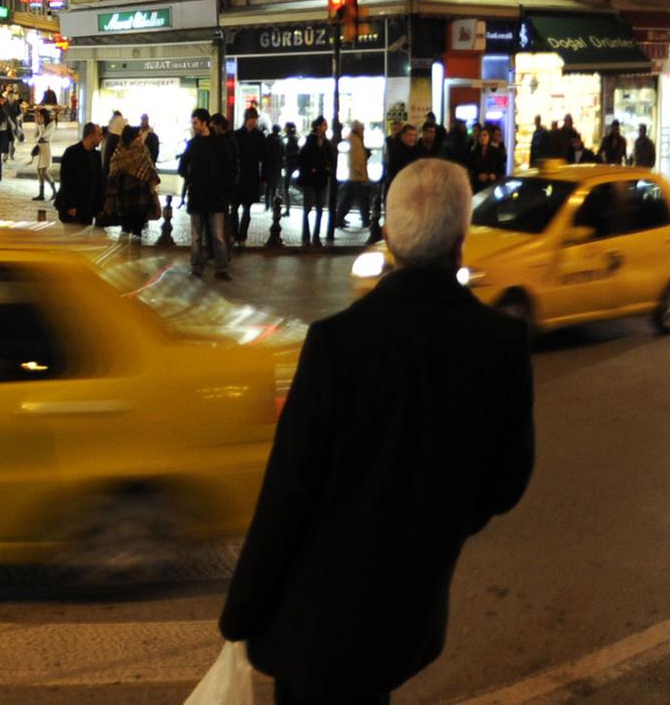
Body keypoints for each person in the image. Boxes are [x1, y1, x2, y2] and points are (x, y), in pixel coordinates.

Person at [220, 158, 534, 704]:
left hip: (317, 622)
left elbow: (289, 493)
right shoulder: (500, 344)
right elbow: (507, 481)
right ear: (461, 242)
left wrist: (242, 609)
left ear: (388, 237)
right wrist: (440, 520)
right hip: (408, 613)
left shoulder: (338, 343)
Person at [182, 109, 234, 280]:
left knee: (217, 235)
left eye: (195, 122)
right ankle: (197, 267)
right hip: (198, 196)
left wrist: (220, 187)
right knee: (197, 236)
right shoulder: (193, 144)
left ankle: (221, 268)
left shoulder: (219, 144)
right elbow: (182, 166)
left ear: (204, 123)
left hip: (214, 197)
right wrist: (191, 179)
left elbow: (228, 169)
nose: (193, 126)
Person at [107, 126, 157, 243]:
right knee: (125, 233)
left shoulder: (144, 151)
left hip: (142, 201)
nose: (141, 138)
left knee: (137, 234)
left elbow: (151, 173)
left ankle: (135, 254)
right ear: (130, 139)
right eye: (138, 136)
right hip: (125, 203)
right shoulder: (119, 155)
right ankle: (122, 254)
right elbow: (113, 178)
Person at [53, 122, 106, 230]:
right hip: (73, 209)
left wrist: (99, 207)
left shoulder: (96, 155)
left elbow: (98, 182)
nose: (101, 138)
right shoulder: (72, 153)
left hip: (88, 208)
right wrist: (70, 205)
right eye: (99, 135)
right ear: (90, 136)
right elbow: (66, 180)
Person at [230, 108, 268, 247]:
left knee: (247, 208)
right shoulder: (237, 135)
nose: (253, 122)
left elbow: (264, 158)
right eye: (252, 119)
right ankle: (234, 234)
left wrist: (264, 177)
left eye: (255, 119)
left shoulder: (259, 136)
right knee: (234, 207)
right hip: (238, 176)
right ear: (247, 119)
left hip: (251, 176)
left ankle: (242, 236)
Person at [296, 117, 332, 248]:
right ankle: (306, 237)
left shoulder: (326, 143)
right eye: (324, 125)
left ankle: (316, 237)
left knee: (320, 209)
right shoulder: (310, 141)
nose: (326, 127)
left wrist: (328, 168)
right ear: (318, 127)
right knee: (308, 208)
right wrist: (311, 168)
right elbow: (302, 158)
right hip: (310, 180)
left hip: (321, 179)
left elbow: (330, 158)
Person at [467, 125, 504, 192]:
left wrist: (495, 175)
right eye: (480, 136)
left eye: (485, 135)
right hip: (478, 186)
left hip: (492, 186)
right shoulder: (473, 153)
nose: (482, 137)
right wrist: (478, 176)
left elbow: (501, 169)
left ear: (489, 137)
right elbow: (469, 169)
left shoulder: (496, 152)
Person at [30, 105, 55, 202]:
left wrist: (40, 125)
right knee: (38, 171)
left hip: (45, 148)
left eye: (40, 116)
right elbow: (35, 136)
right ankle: (41, 193)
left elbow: (43, 136)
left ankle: (54, 190)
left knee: (43, 171)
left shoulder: (51, 124)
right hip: (39, 148)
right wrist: (37, 125)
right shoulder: (40, 124)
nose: (39, 118)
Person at [0, 100, 21, 180]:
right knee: (2, 152)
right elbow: (13, 126)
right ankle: (0, 171)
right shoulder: (5, 116)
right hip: (4, 136)